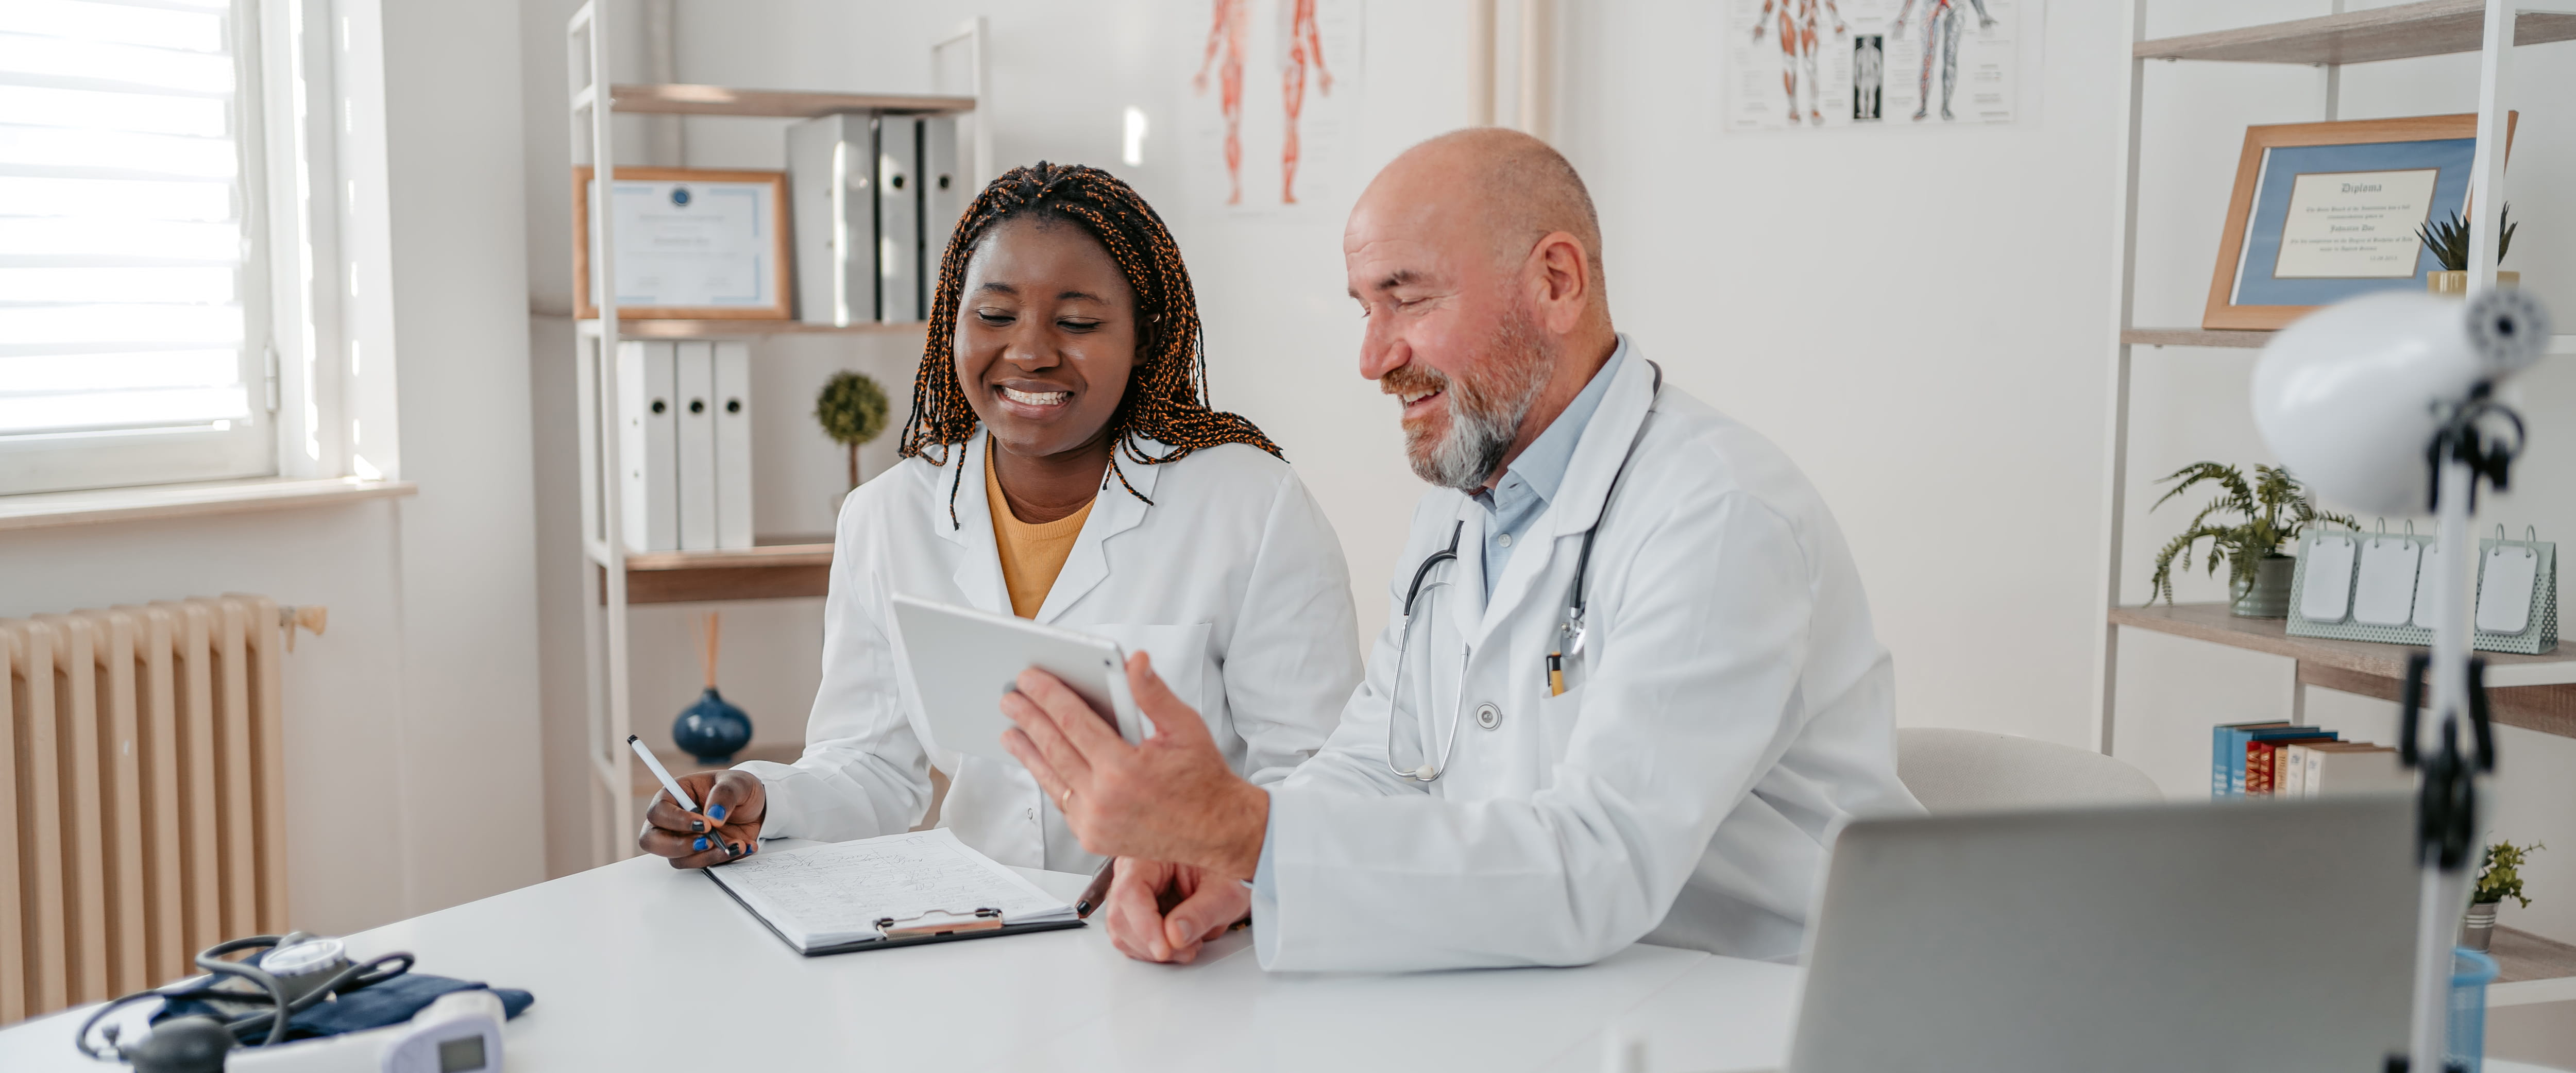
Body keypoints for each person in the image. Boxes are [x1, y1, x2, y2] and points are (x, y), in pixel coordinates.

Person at [998, 129, 1921, 972]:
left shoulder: (1716, 515)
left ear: (1556, 283)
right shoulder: (1462, 512)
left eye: (1406, 299)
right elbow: (1381, 765)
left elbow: (1601, 862)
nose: (1373, 357)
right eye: (1365, 308)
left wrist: (1247, 831)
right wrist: (1228, 860)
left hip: (1777, 1005)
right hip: (1572, 992)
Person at [638, 163, 1362, 873]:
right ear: (952, 323)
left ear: (1144, 337)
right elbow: (870, 765)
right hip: (979, 923)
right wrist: (767, 800)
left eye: (1078, 322)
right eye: (993, 316)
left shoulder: (1252, 507)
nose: (1030, 352)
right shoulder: (886, 516)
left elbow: (1313, 773)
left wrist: (1211, 868)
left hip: (1189, 930)